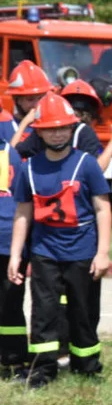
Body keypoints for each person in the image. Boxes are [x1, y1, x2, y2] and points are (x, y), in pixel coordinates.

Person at [8, 92, 112, 388]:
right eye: (50, 128)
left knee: (83, 311)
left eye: (62, 127)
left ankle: (87, 366)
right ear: (39, 131)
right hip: (44, 253)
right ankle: (42, 369)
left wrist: (102, 252)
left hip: (82, 252)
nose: (57, 133)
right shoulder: (29, 168)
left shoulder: (87, 164)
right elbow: (23, 214)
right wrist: (17, 254)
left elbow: (103, 208)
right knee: (44, 313)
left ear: (72, 128)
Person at [17, 79, 112, 173]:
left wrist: (24, 123)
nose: (58, 135)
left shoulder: (45, 129)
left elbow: (13, 154)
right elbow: (97, 170)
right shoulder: (85, 132)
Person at [0, 137, 28, 377]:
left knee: (11, 303)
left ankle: (15, 360)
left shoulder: (11, 154)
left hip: (7, 241)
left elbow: (23, 204)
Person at [6, 61, 53, 144]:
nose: (37, 104)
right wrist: (24, 124)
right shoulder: (5, 126)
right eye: (30, 99)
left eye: (41, 98)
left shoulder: (53, 124)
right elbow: (7, 156)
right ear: (17, 100)